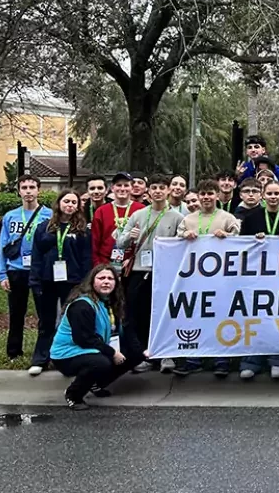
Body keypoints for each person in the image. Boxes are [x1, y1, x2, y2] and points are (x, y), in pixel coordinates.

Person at [172, 179, 242, 378]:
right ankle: (194, 359)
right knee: (195, 318)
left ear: (217, 195)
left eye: (210, 193)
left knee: (221, 318)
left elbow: (240, 242)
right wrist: (185, 235)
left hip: (221, 280)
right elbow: (176, 244)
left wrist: (227, 236)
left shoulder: (228, 218)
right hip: (194, 279)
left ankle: (222, 360)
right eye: (202, 194)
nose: (206, 197)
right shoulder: (188, 220)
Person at [114, 176, 183, 372]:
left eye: (162, 188)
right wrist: (129, 237)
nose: (158, 191)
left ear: (168, 190)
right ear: (148, 192)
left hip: (165, 273)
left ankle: (166, 356)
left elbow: (184, 244)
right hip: (139, 271)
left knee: (164, 314)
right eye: (154, 188)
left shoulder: (177, 217)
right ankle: (146, 354)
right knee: (140, 314)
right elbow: (120, 242)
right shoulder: (138, 214)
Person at [51, 265, 135, 410]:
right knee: (101, 363)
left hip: (91, 348)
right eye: (101, 278)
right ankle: (73, 395)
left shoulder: (107, 302)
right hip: (67, 354)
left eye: (110, 278)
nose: (106, 282)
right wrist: (112, 352)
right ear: (92, 282)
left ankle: (94, 383)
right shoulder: (82, 305)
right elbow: (84, 339)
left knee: (133, 354)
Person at [236, 179, 279, 380]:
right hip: (257, 276)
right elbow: (242, 246)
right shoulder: (251, 218)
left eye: (276, 193)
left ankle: (278, 362)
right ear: (263, 195)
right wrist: (254, 240)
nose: (273, 197)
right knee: (254, 319)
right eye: (269, 193)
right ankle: (250, 362)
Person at [29, 189, 93, 376]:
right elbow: (36, 255)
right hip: (48, 280)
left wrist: (85, 283)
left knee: (72, 320)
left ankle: (70, 358)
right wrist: (35, 280)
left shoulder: (82, 229)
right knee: (47, 321)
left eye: (74, 202)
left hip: (73, 282)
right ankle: (41, 359)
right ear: (59, 203)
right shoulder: (44, 227)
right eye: (67, 201)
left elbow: (86, 258)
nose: (70, 205)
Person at [0, 175, 53, 367]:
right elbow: (2, 245)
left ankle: (45, 351)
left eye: (32, 187)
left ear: (39, 190)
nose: (28, 191)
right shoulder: (10, 216)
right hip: (16, 270)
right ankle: (14, 350)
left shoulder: (49, 215)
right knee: (16, 312)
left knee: (45, 314)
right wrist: (2, 273)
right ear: (19, 191)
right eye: (24, 187)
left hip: (40, 271)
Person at [91, 172, 143, 266]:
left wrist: (133, 259)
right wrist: (98, 265)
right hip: (106, 263)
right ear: (112, 188)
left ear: (132, 188)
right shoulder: (101, 211)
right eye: (118, 185)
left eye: (126, 185)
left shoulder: (141, 209)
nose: (122, 189)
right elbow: (95, 243)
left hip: (133, 263)